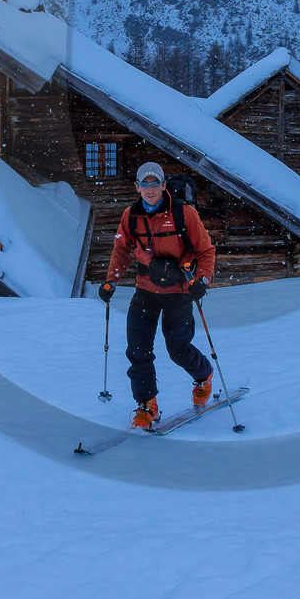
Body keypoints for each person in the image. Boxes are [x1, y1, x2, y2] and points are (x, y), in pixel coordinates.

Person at [99, 162, 216, 428]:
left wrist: (202, 279)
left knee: (178, 349)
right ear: (137, 187)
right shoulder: (131, 215)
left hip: (179, 290)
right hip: (145, 289)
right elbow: (121, 249)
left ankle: (203, 375)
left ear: (164, 185)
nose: (150, 190)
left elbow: (206, 250)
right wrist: (111, 281)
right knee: (137, 348)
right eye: (145, 184)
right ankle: (147, 405)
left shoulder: (185, 214)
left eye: (155, 184)